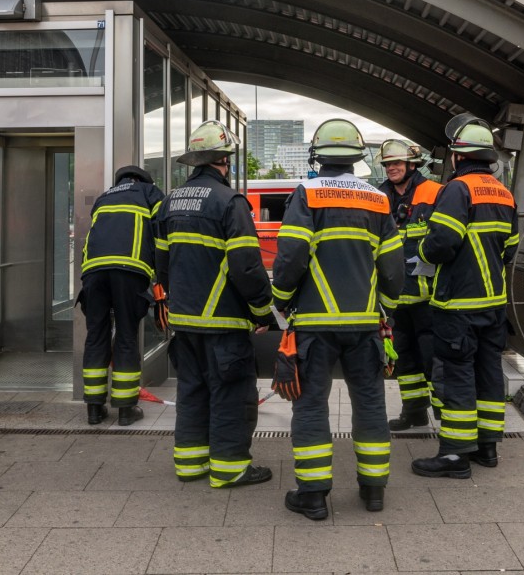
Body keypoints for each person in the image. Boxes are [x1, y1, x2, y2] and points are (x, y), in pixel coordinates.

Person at [272, 120, 404, 520]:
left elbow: (292, 254)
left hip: (314, 325)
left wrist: (281, 298)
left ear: (318, 155)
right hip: (365, 326)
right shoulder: (378, 200)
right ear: (357, 158)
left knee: (310, 405)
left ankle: (312, 496)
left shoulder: (307, 193)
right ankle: (374, 489)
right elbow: (394, 269)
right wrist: (384, 308)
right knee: (370, 402)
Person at [156, 120, 275, 489]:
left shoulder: (169, 201)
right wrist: (261, 310)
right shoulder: (229, 202)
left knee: (192, 390)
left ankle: (190, 465)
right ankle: (230, 469)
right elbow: (247, 265)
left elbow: (161, 262)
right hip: (224, 322)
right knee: (232, 394)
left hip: (185, 321)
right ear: (224, 160)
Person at [411, 119, 516, 479]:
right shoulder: (503, 192)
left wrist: (422, 248)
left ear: (456, 156)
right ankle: (487, 447)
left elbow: (442, 244)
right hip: (493, 304)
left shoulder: (456, 190)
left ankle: (455, 455)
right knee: (488, 373)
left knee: (456, 376)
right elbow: (511, 248)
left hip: (457, 305)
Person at [78, 165, 164, 426]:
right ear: (141, 180)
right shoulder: (150, 193)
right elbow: (162, 235)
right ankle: (126, 410)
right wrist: (163, 276)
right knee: (126, 335)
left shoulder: (104, 197)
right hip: (130, 272)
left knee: (96, 335)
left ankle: (94, 409)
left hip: (93, 273)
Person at [375, 139, 441, 431]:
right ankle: (413, 412)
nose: (392, 168)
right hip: (395, 297)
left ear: (412, 164)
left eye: (397, 163)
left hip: (429, 297)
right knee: (404, 359)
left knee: (433, 360)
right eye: (388, 164)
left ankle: (445, 416)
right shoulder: (378, 197)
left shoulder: (435, 193)